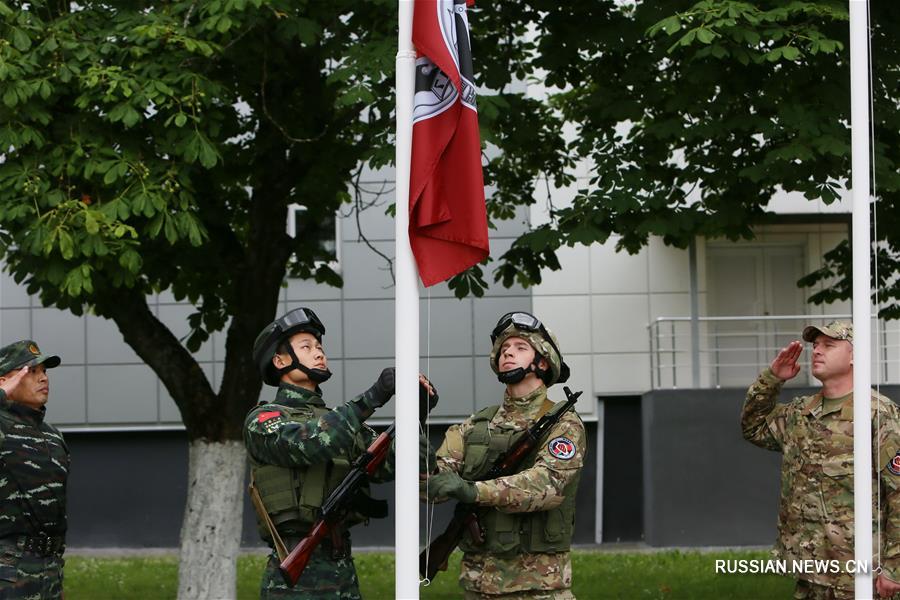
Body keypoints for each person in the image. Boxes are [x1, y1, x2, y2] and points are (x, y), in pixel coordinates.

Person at [244, 307, 434, 599]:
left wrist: (417, 417)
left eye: (319, 346)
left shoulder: (341, 421)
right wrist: (372, 398)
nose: (318, 353)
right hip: (295, 575)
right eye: (306, 347)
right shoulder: (265, 419)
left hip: (342, 569)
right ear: (280, 361)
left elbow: (389, 465)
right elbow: (307, 444)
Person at [423, 311, 585, 599]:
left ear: (543, 361)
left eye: (520, 348)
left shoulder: (564, 424)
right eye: (504, 349)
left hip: (539, 589)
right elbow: (430, 485)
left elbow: (547, 483)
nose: (508, 353)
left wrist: (474, 491)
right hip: (478, 586)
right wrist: (415, 423)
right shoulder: (474, 426)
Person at [742, 320, 900, 599]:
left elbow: (898, 493)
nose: (817, 351)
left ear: (854, 356)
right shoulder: (800, 413)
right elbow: (753, 428)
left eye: (829, 345)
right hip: (810, 570)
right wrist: (772, 379)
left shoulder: (878, 414)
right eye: (815, 345)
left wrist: (894, 568)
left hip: (859, 576)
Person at [0, 340, 67, 599]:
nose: (43, 378)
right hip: (7, 574)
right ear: (6, 380)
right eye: (31, 372)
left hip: (49, 571)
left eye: (45, 371)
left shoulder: (53, 437)